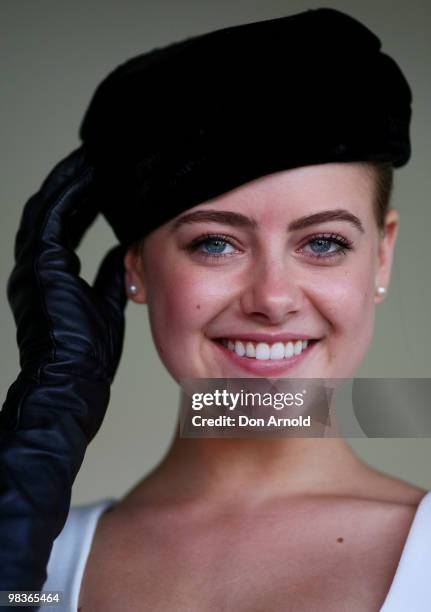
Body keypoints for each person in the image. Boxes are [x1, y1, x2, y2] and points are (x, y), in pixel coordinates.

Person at [1, 7, 429, 612]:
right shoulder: (29, 563)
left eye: (323, 243)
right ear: (138, 268)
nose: (274, 300)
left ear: (380, 256)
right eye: (215, 243)